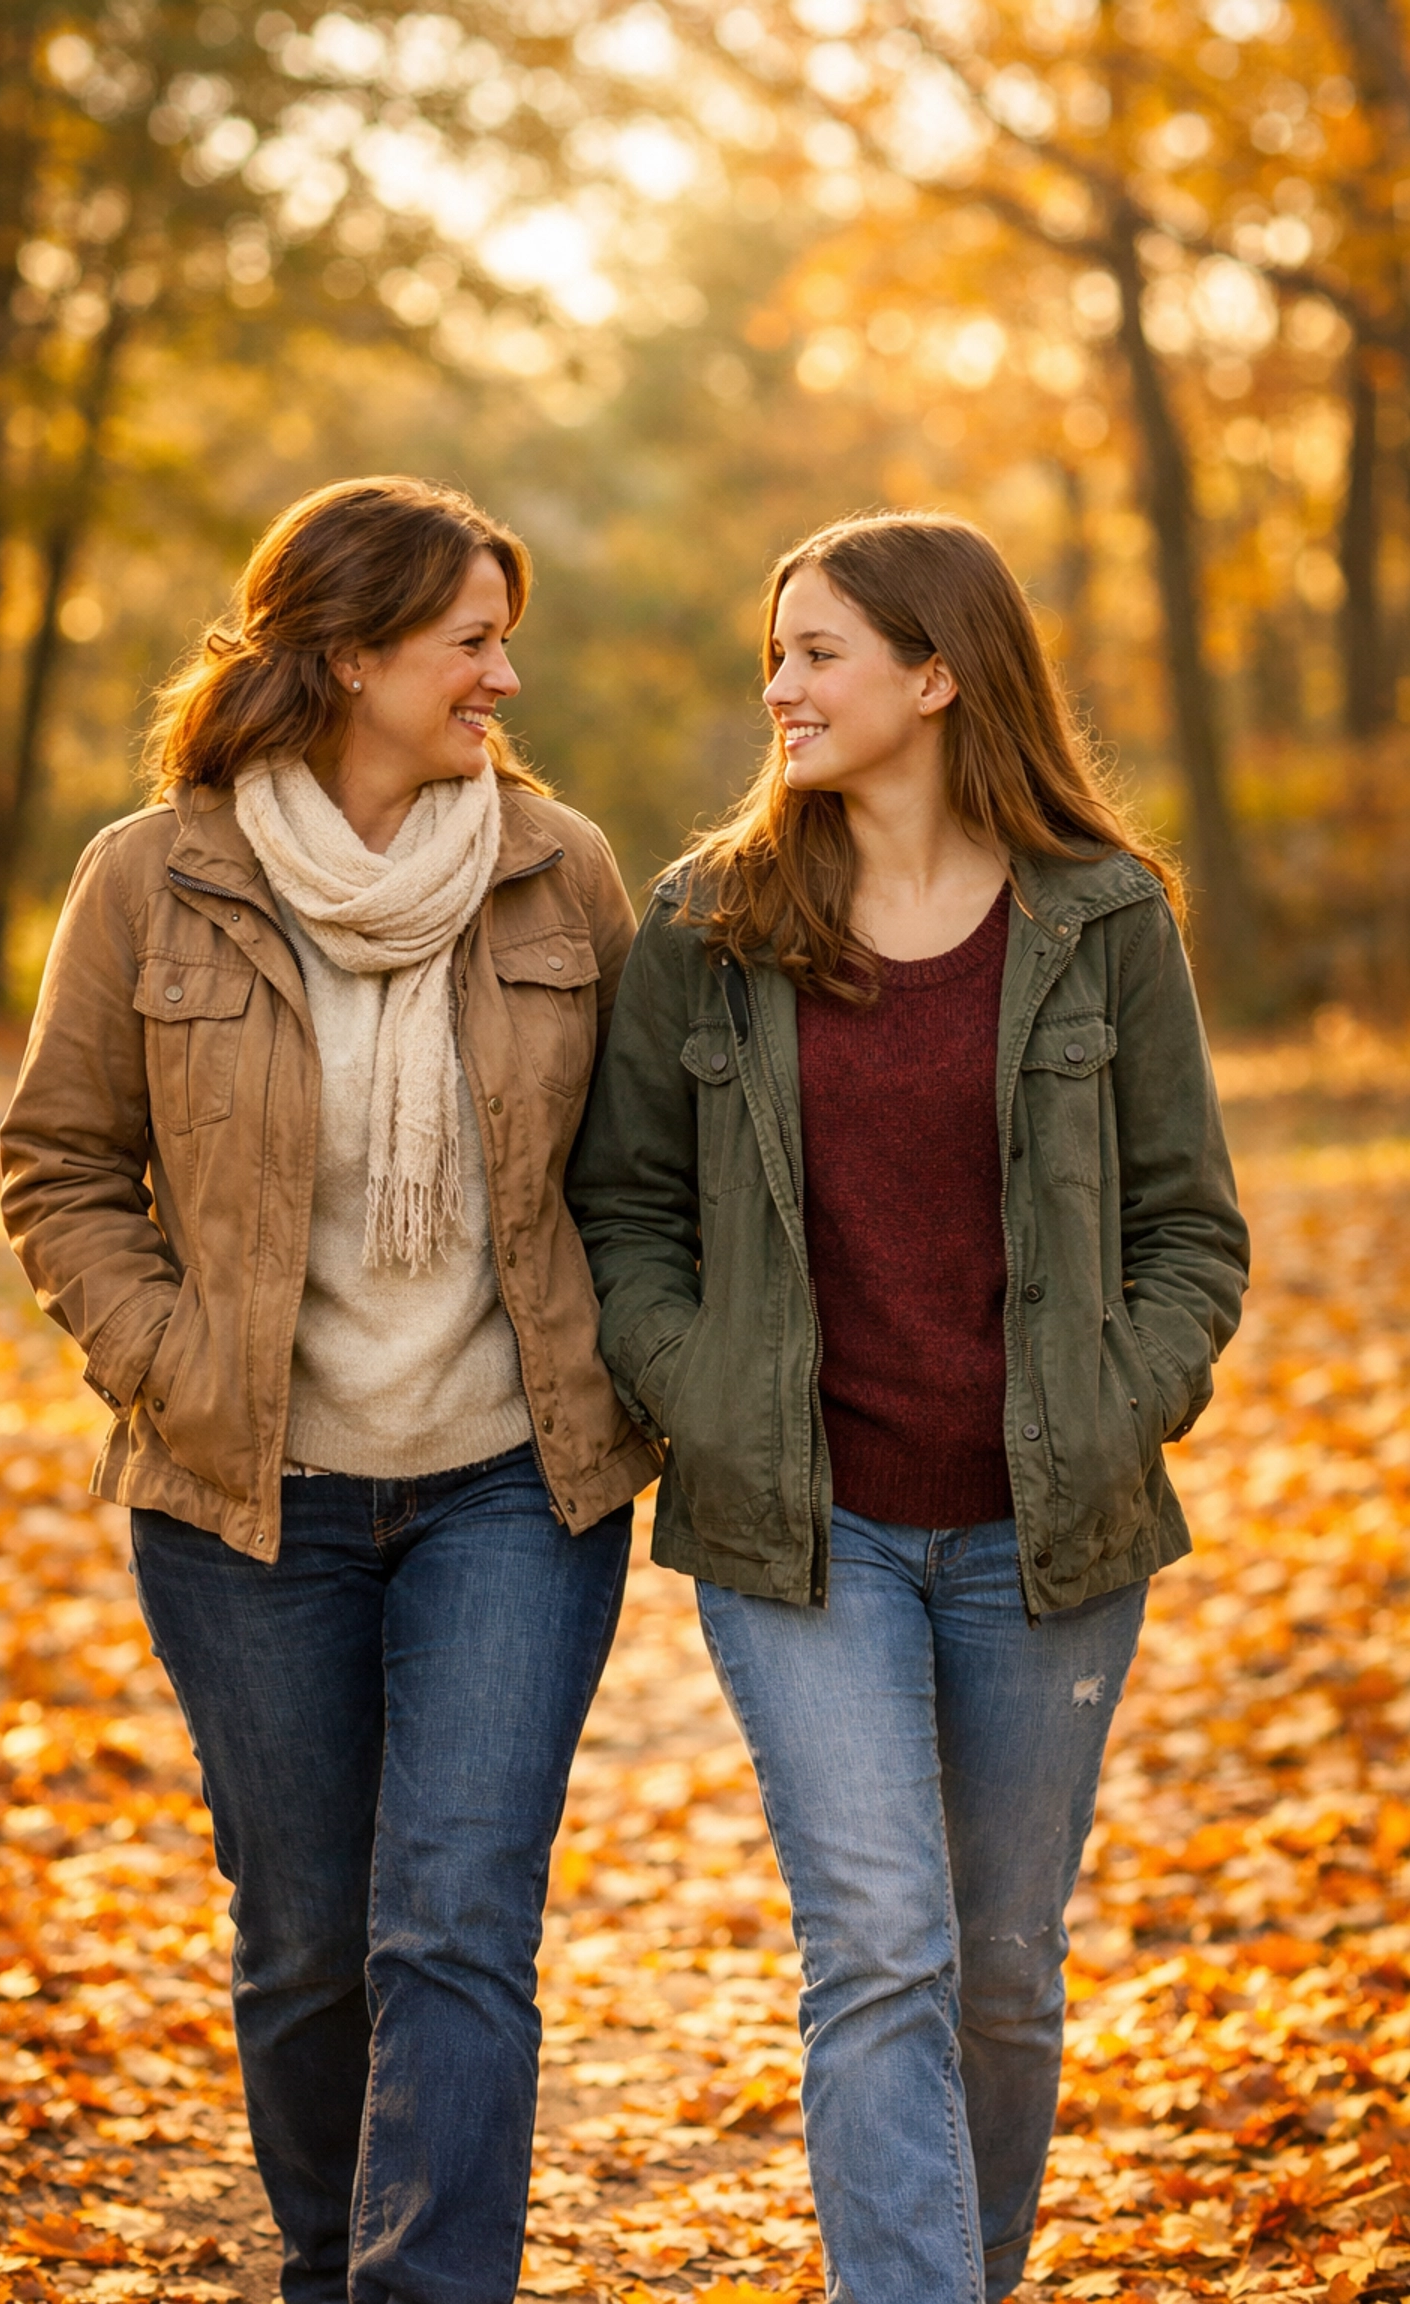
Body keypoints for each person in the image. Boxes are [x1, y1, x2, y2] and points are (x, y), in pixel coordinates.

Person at [571, 511, 1249, 2304]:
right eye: (774, 652)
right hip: (805, 1531)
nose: (778, 687)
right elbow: (626, 1209)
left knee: (1005, 1964)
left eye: (817, 652)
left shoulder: (1104, 922)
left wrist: (1124, 1398)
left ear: (936, 675)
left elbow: (1192, 1225)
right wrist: (697, 1393)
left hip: (1055, 1530)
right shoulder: (708, 924)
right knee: (879, 1948)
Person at [0, 476, 658, 2304]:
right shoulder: (153, 878)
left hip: (512, 1482)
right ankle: (329, 2270)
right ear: (352, 651)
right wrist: (168, 1357)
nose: (503, 679)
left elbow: (646, 1164)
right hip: (243, 1497)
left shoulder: (559, 868)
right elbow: (61, 1165)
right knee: (304, 1944)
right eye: (470, 640)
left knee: (452, 1928)